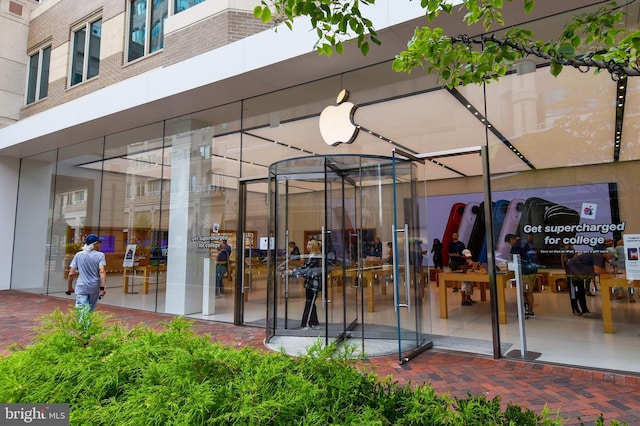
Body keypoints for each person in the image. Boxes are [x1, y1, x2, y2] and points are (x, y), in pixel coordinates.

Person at [564, 250, 616, 316]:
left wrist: (608, 269)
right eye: (611, 256)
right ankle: (575, 310)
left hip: (578, 271)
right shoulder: (598, 257)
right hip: (572, 269)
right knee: (574, 291)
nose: (612, 258)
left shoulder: (601, 258)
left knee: (581, 290)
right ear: (606, 253)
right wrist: (608, 272)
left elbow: (604, 268)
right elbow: (597, 270)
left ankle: (584, 310)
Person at [66, 234, 107, 316]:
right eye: (99, 242)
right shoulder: (100, 255)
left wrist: (69, 287)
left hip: (81, 286)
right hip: (94, 286)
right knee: (90, 310)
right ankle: (87, 327)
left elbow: (71, 273)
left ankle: (83, 327)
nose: (100, 244)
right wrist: (103, 287)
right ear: (95, 244)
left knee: (82, 310)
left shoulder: (78, 255)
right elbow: (102, 271)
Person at [290, 239, 322, 330]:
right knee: (311, 303)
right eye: (307, 244)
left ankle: (305, 324)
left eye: (310, 244)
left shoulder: (315, 257)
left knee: (309, 303)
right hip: (309, 282)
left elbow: (307, 268)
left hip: (313, 283)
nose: (307, 246)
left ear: (314, 246)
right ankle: (314, 323)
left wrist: (294, 271)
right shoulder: (310, 256)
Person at [506, 233, 537, 318]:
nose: (510, 244)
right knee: (528, 291)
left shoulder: (517, 245)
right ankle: (529, 311)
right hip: (533, 270)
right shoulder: (525, 242)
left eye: (509, 243)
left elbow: (515, 259)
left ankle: (527, 311)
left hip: (526, 271)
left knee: (525, 292)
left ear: (512, 240)